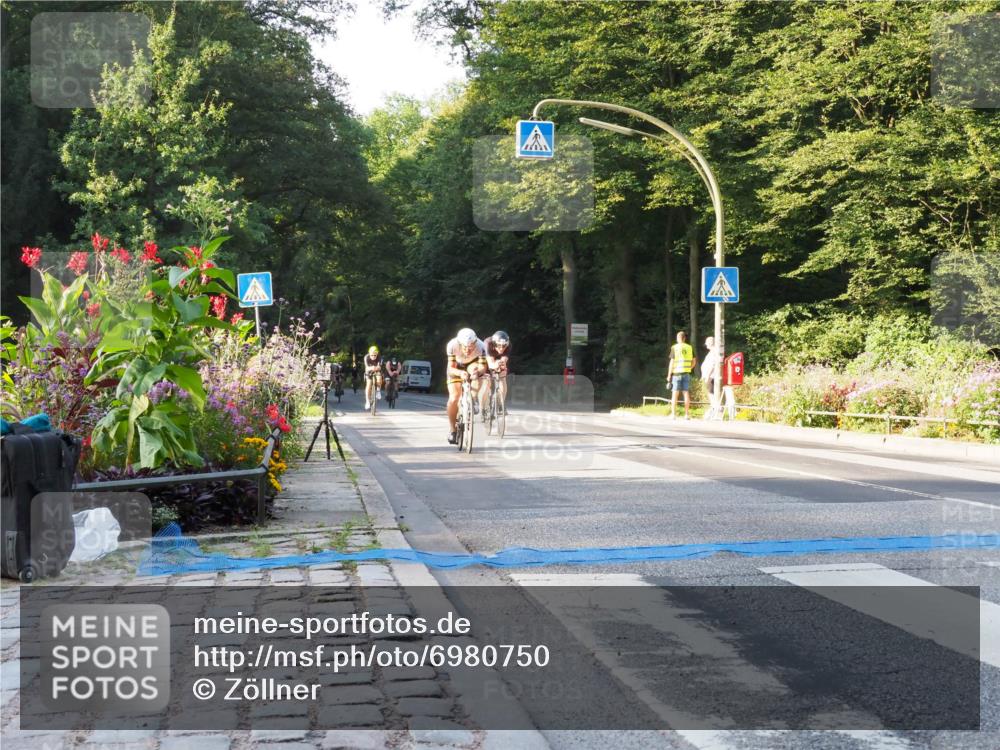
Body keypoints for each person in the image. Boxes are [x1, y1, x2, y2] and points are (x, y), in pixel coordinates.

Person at [446, 327, 487, 444]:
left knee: (475, 371)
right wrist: (460, 373)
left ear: (475, 343)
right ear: (460, 344)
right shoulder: (452, 345)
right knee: (454, 398)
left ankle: (473, 399)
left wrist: (477, 372)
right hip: (456, 367)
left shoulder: (481, 346)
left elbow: (483, 367)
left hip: (471, 364)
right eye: (465, 347)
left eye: (471, 347)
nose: (468, 350)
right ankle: (453, 430)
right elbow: (451, 368)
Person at [481, 330, 511, 420]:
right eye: (499, 346)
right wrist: (495, 365)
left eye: (504, 346)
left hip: (498, 359)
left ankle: (500, 404)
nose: (501, 348)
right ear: (494, 344)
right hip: (485, 359)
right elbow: (490, 364)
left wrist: (502, 364)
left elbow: (504, 358)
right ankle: (483, 409)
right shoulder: (488, 343)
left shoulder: (509, 345)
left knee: (502, 377)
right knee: (487, 382)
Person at [667, 331, 696, 419]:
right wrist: (689, 368)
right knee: (686, 393)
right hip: (686, 373)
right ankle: (687, 414)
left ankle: (673, 415)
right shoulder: (689, 347)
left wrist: (669, 375)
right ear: (684, 338)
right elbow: (694, 361)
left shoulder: (674, 347)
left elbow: (671, 362)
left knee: (675, 394)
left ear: (678, 338)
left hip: (676, 374)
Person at [700, 336, 720, 419]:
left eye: (707, 343)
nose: (706, 345)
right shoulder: (712, 351)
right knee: (711, 392)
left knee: (711, 393)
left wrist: (707, 376)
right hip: (710, 376)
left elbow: (713, 365)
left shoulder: (714, 352)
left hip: (711, 376)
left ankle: (715, 408)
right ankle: (714, 407)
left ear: (710, 343)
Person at [363, 345, 383, 411]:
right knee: (368, 385)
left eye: (375, 355)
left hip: (377, 369)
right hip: (369, 370)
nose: (373, 357)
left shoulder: (380, 357)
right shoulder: (366, 357)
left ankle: (378, 390)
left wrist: (376, 368)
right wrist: (372, 368)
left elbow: (379, 367)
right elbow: (366, 367)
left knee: (379, 377)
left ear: (377, 354)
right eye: (372, 355)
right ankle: (367, 401)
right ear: (369, 354)